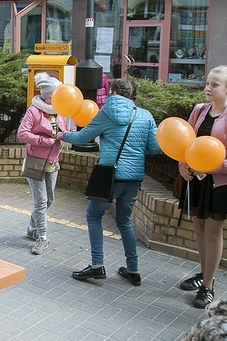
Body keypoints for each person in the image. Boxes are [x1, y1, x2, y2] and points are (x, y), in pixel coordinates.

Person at [62, 78, 160, 286]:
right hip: (133, 178)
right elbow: (155, 147)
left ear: (113, 91)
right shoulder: (145, 115)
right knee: (124, 221)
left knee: (93, 215)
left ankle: (97, 265)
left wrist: (63, 135)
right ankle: (133, 269)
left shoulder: (106, 113)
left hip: (110, 176)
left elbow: (82, 138)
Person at [177, 66, 227, 309]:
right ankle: (203, 273)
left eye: (214, 85)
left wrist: (213, 167)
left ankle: (208, 286)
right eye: (207, 83)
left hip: (221, 184)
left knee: (212, 233)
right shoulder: (199, 111)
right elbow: (185, 143)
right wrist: (182, 165)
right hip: (197, 181)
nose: (208, 88)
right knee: (199, 229)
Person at [17, 72, 68, 255]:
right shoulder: (34, 110)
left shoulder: (59, 111)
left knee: (50, 199)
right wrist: (44, 141)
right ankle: (42, 238)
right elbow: (22, 134)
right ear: (47, 96)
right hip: (36, 161)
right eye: (56, 96)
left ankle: (32, 228)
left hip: (53, 161)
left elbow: (62, 130)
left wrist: (65, 135)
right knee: (41, 202)